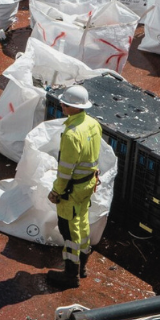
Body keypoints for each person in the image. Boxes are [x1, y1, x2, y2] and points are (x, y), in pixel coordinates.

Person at [47, 83, 102, 287]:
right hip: (87, 184)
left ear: (73, 107)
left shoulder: (71, 135)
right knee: (82, 223)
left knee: (69, 231)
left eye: (65, 103)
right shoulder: (93, 124)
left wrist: (56, 192)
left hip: (71, 190)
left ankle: (71, 275)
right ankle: (83, 266)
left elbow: (65, 171)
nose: (62, 105)